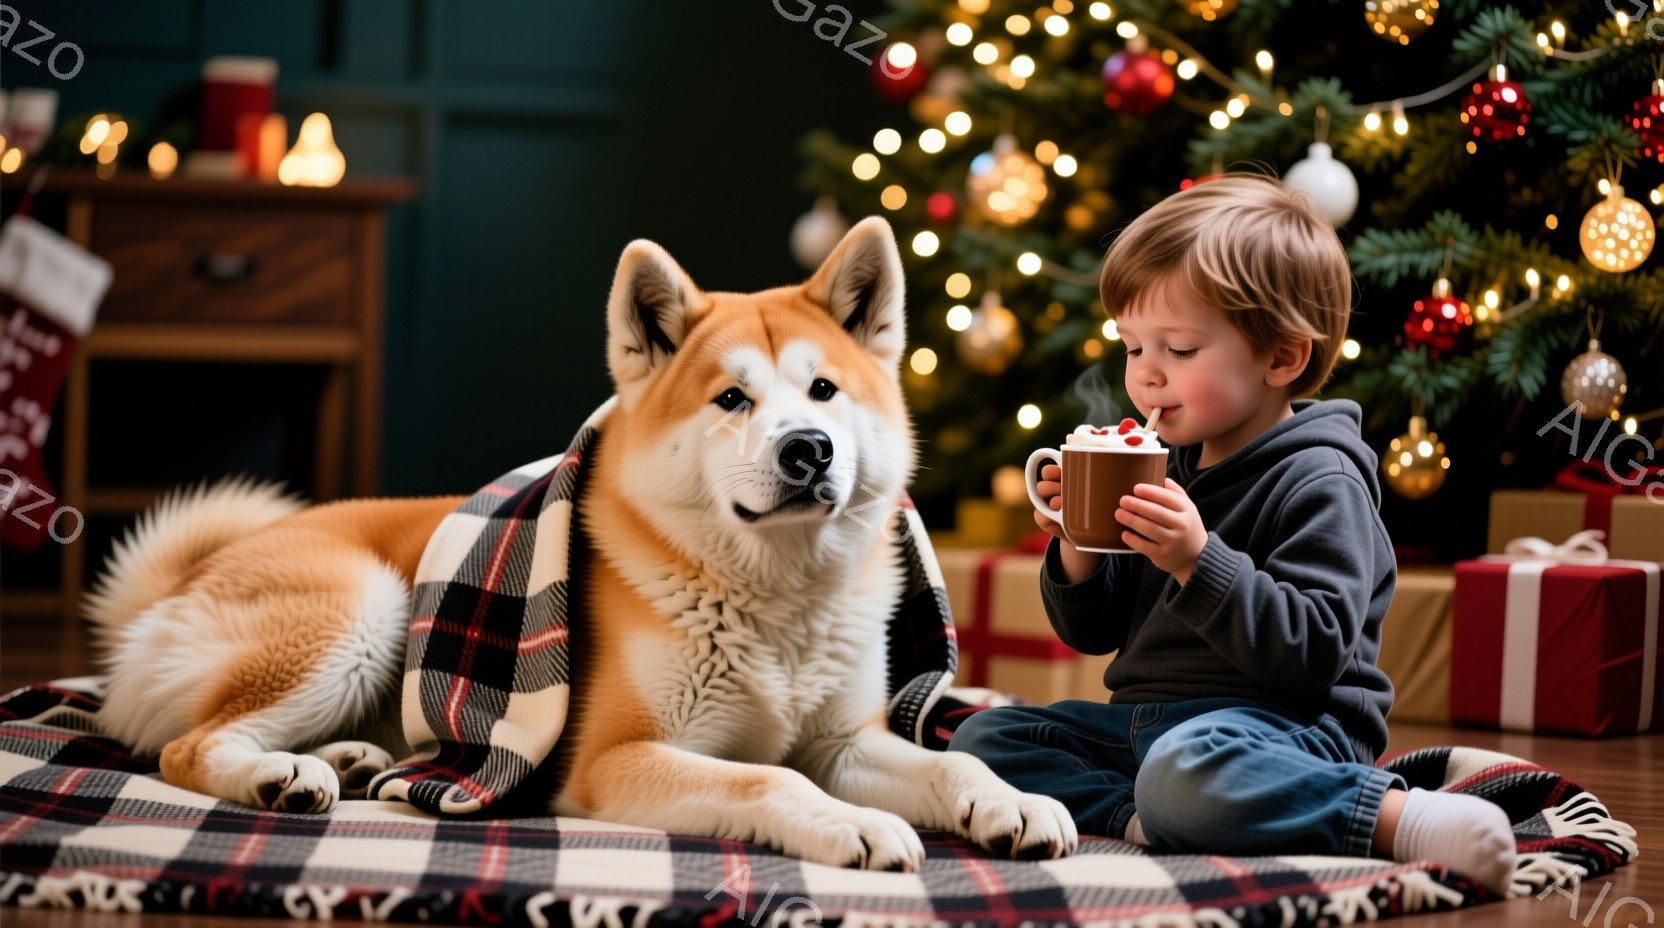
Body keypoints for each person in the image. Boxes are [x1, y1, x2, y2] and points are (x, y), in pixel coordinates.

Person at [947, 175, 1517, 895]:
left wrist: (1197, 558)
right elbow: (1092, 634)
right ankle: (1146, 820)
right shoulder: (1167, 465)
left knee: (1188, 773)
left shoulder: (1320, 480)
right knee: (984, 742)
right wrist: (1079, 547)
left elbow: (1308, 654)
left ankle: (1391, 817)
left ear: (1282, 358)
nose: (1147, 376)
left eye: (1179, 350)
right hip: (1143, 730)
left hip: (1281, 734)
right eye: (1131, 348)